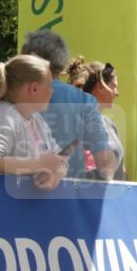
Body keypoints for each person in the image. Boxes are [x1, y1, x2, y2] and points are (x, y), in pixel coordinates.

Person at [20, 30, 116, 180]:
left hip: (16, 193)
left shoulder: (13, 96)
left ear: (30, 59)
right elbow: (105, 163)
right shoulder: (85, 102)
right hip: (69, 196)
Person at [0, 54, 68, 189]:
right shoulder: (3, 115)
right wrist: (37, 164)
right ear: (34, 88)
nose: (52, 91)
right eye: (49, 85)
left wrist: (55, 174)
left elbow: (59, 159)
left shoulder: (36, 118)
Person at [78, 60, 127, 180]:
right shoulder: (78, 123)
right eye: (113, 87)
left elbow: (121, 168)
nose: (117, 93)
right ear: (100, 86)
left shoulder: (109, 124)